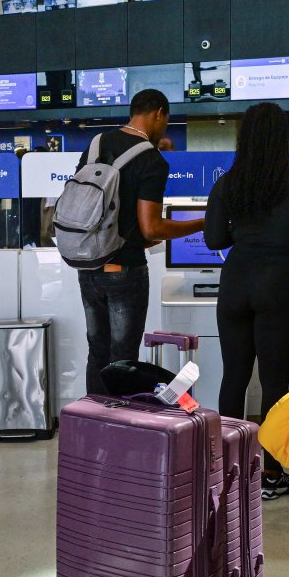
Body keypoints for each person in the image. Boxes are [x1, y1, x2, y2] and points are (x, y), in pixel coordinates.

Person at [205, 102, 289, 501]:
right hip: (278, 286)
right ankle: (272, 474)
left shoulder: (228, 183)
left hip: (235, 283)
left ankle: (226, 473)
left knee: (233, 377)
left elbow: (214, 241)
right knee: (275, 384)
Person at [76, 89, 203, 395]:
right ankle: (121, 433)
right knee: (123, 359)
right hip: (125, 271)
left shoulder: (96, 144)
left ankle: (93, 428)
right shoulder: (151, 159)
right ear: (158, 113)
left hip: (88, 265)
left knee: (97, 352)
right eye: (166, 121)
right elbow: (150, 228)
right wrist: (201, 223)